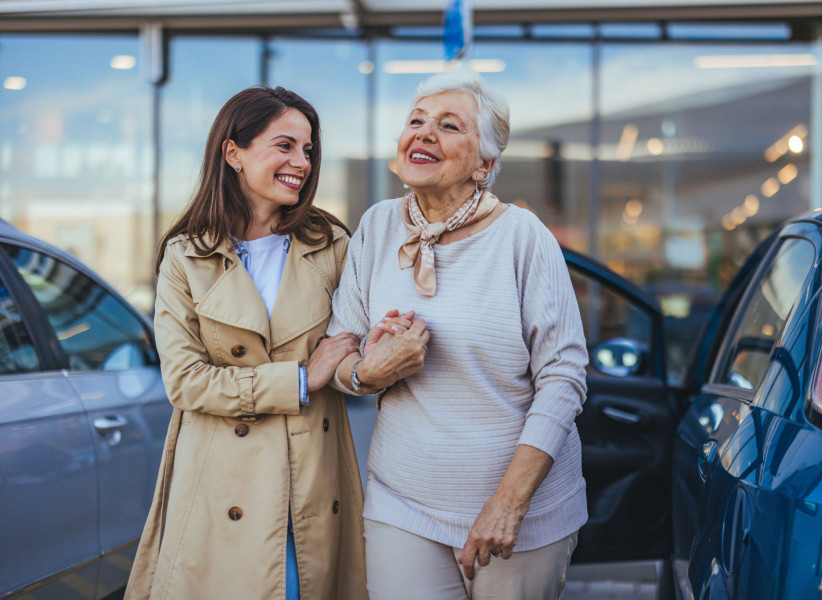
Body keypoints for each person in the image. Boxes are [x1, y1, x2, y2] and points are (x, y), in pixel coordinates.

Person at [326, 68, 589, 599]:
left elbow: (564, 376)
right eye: (416, 121)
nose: (423, 133)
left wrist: (508, 503)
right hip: (402, 501)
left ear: (485, 165)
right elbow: (340, 350)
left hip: (520, 510)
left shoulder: (522, 237)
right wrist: (368, 372)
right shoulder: (376, 227)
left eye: (449, 125)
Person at [125, 86, 369, 599]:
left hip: (310, 480)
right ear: (233, 152)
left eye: (308, 149)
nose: (300, 162)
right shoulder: (185, 256)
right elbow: (186, 383)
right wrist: (301, 378)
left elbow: (360, 351)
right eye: (284, 146)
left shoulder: (332, 245)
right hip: (219, 486)